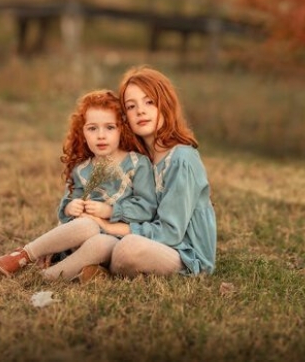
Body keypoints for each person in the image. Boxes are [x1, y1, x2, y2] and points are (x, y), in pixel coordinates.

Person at [0, 89, 157, 282]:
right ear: (83, 132)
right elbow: (67, 204)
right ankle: (24, 255)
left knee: (102, 243)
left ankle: (47, 278)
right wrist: (71, 207)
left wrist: (110, 211)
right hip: (81, 237)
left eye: (110, 127)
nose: (101, 135)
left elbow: (147, 207)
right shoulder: (82, 169)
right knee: (87, 226)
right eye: (92, 128)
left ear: (122, 129)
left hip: (117, 239)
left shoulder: (137, 164)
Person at [86, 66, 217, 277]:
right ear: (125, 117)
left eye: (149, 102)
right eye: (131, 106)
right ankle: (82, 262)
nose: (140, 111)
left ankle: (99, 264)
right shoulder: (138, 161)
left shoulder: (181, 159)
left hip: (184, 255)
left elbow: (171, 232)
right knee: (94, 234)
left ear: (165, 105)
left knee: (127, 249)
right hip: (146, 240)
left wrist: (110, 228)